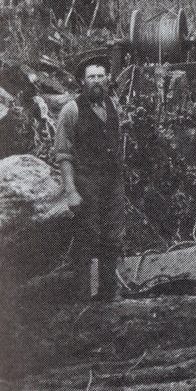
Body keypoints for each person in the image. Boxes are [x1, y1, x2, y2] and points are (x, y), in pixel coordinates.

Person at [54, 58, 126, 302]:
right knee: (87, 237)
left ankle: (108, 291)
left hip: (113, 182)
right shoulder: (71, 110)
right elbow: (63, 154)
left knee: (113, 236)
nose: (97, 81)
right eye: (92, 77)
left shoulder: (112, 105)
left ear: (107, 79)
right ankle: (82, 296)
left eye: (101, 76)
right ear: (82, 81)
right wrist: (71, 190)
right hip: (87, 181)